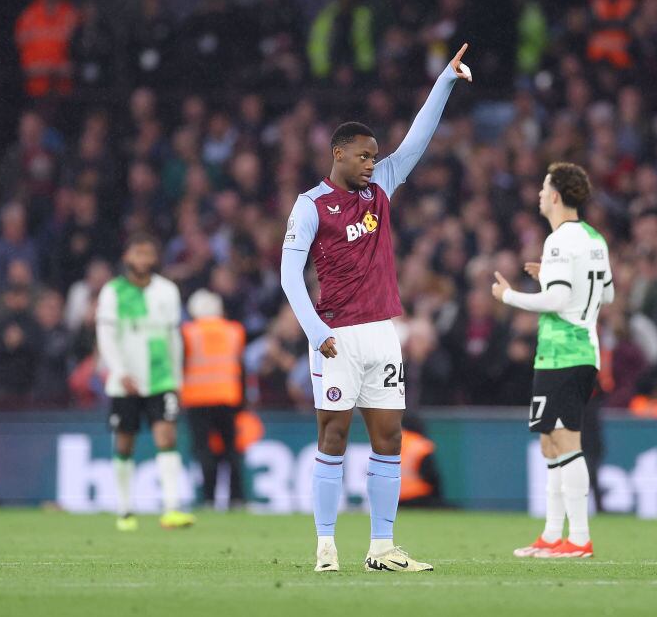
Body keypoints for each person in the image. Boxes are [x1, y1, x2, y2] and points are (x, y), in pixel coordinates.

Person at [280, 43, 472, 573]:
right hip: (335, 336)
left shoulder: (381, 187)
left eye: (374, 157)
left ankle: (382, 548)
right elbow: (289, 275)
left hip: (382, 333)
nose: (372, 164)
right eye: (363, 156)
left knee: (389, 438)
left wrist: (445, 81)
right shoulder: (311, 205)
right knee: (333, 437)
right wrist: (315, 331)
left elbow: (418, 140)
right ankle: (325, 546)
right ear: (338, 154)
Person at [491, 162, 613, 559]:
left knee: (566, 441)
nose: (540, 195)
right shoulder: (594, 238)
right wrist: (553, 275)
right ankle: (551, 534)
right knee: (550, 444)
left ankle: (578, 538)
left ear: (556, 196)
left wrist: (509, 297)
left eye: (545, 189)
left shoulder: (559, 239)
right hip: (575, 351)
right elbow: (607, 294)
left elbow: (558, 300)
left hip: (566, 352)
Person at [96, 233, 192, 531]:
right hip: (125, 381)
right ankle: (125, 510)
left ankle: (171, 509)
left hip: (161, 378)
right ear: (127, 257)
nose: (143, 259)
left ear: (155, 258)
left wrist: (177, 379)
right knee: (125, 441)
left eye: (148, 253)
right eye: (137, 253)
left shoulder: (167, 291)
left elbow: (174, 336)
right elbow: (106, 336)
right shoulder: (113, 291)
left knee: (167, 436)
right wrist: (119, 371)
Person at [181, 289, 246, 509]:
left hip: (196, 399)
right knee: (231, 450)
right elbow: (241, 367)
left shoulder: (188, 332)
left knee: (204, 451)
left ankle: (208, 499)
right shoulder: (234, 331)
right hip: (227, 397)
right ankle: (237, 498)